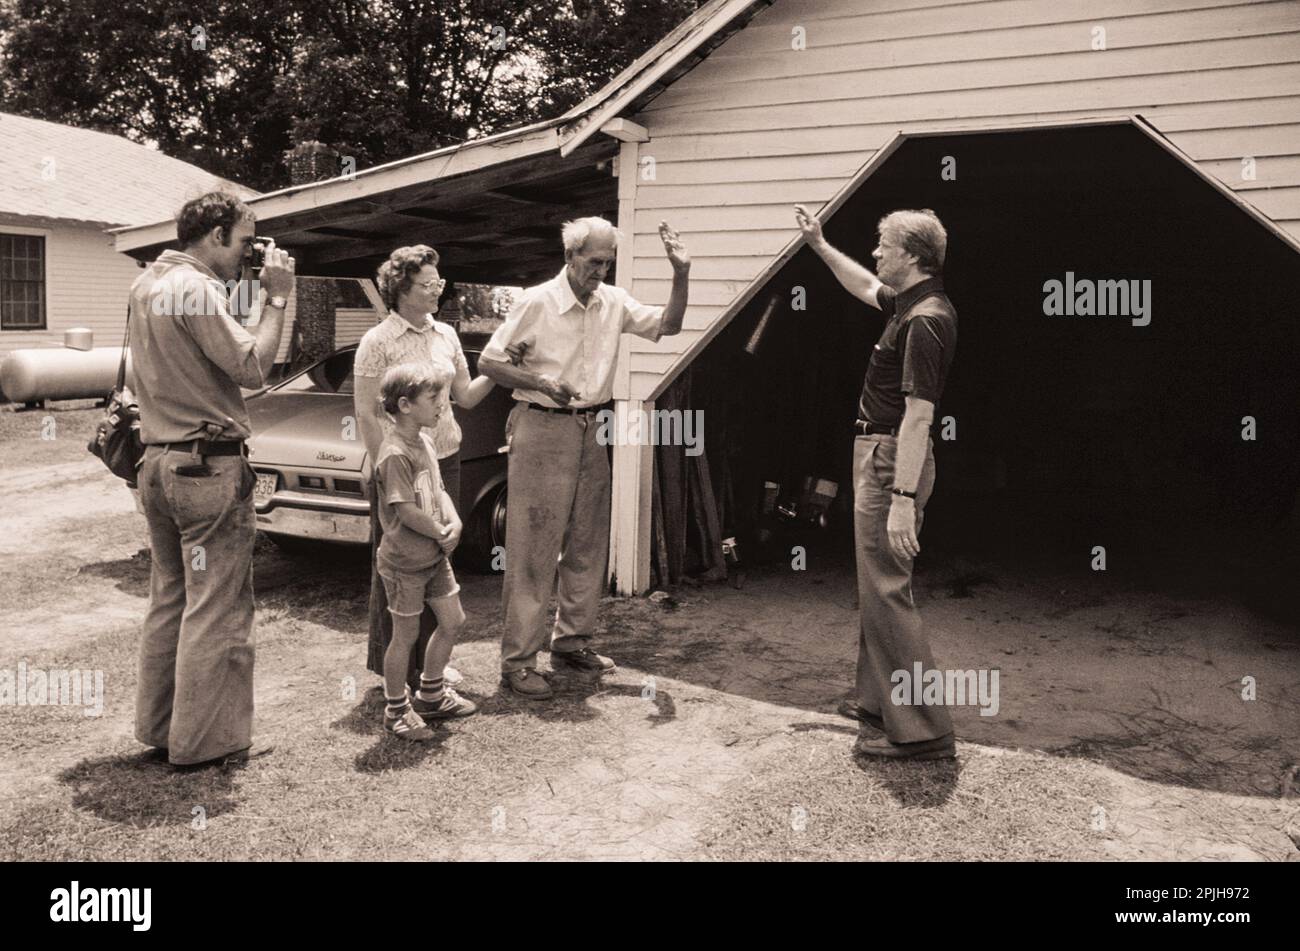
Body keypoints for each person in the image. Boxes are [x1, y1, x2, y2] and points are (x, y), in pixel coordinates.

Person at [478, 218, 690, 699]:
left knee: (588, 542)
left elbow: (670, 325)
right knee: (533, 547)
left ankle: (571, 641)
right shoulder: (537, 302)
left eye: (608, 261)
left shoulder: (612, 302)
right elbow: (490, 363)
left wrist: (681, 274)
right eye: (594, 261)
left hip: (593, 428)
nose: (602, 269)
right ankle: (518, 663)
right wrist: (544, 383)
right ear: (570, 256)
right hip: (542, 425)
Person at [130, 191, 295, 768]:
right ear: (216, 233)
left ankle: (161, 729)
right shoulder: (198, 288)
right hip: (206, 466)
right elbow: (252, 368)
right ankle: (206, 744)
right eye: (246, 241)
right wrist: (276, 299)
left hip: (156, 460)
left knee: (171, 598)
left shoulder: (146, 285)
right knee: (218, 606)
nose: (249, 255)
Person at [795, 203, 959, 761]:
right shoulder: (907, 302)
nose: (876, 253)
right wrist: (819, 245)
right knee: (874, 585)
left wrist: (902, 500)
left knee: (888, 589)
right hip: (880, 450)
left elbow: (919, 416)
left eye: (883, 245)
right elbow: (864, 285)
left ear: (911, 255)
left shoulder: (926, 320)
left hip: (893, 458)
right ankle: (877, 702)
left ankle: (924, 731)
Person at [353, 245, 521, 693]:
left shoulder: (445, 335)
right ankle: (396, 670)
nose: (437, 291)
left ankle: (430, 664)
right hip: (401, 468)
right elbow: (368, 414)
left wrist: (504, 365)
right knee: (402, 564)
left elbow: (464, 396)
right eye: (428, 284)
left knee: (438, 557)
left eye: (439, 282)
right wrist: (391, 468)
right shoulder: (379, 341)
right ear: (401, 289)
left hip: (444, 460)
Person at [372, 364, 478, 740]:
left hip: (434, 557)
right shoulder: (395, 453)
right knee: (405, 635)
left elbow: (440, 491)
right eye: (433, 398)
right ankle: (396, 710)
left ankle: (431, 695)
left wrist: (456, 524)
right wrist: (439, 532)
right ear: (404, 405)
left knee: (453, 621)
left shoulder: (427, 442)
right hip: (405, 563)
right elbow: (405, 510)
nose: (442, 404)